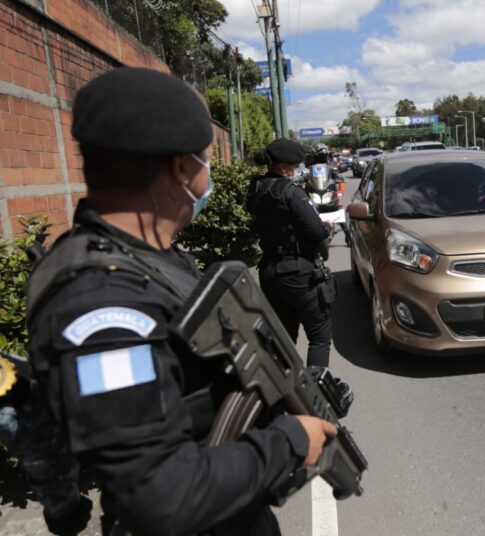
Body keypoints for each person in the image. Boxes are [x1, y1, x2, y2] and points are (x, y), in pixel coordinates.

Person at [25, 67, 336, 535]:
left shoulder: (145, 261)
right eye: (205, 160)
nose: (206, 176)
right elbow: (158, 496)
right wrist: (289, 442)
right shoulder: (104, 307)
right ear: (181, 169)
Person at [247, 140, 352, 404]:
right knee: (319, 337)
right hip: (300, 273)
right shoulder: (291, 192)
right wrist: (327, 227)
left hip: (269, 271)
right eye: (294, 167)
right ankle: (313, 399)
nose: (296, 171)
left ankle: (274, 396)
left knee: (283, 338)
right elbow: (316, 231)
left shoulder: (256, 188)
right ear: (283, 168)